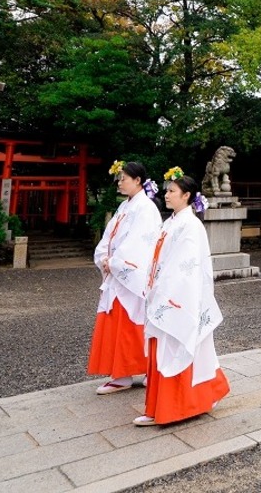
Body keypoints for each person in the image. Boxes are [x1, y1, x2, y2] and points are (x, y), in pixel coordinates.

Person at [134, 170, 230, 426]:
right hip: (163, 292)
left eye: (171, 191)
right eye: (166, 191)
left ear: (186, 196)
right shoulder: (172, 222)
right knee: (174, 350)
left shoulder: (190, 225)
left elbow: (185, 267)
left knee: (178, 347)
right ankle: (171, 403)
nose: (166, 195)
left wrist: (166, 294)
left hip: (179, 296)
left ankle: (175, 407)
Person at [88, 161, 162, 395]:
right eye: (119, 179)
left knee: (134, 324)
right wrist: (104, 257)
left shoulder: (146, 207)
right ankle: (121, 373)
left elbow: (142, 242)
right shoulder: (125, 207)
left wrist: (117, 263)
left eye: (124, 178)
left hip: (132, 275)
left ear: (138, 180)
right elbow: (109, 235)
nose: (120, 182)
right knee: (117, 323)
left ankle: (147, 370)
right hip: (117, 275)